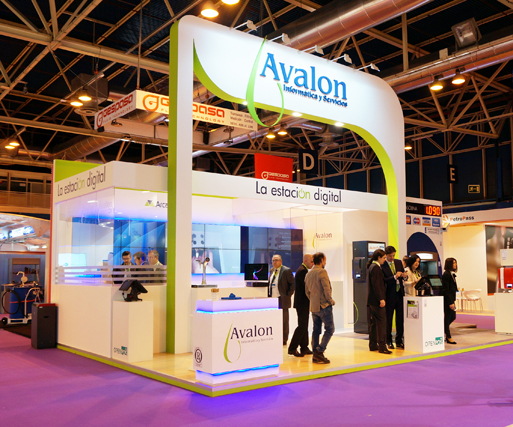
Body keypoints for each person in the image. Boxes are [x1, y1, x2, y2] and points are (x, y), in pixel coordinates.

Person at [305, 252, 335, 364]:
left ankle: (315, 353)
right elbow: (326, 289)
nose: (325, 262)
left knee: (316, 330)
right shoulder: (322, 272)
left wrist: (313, 301)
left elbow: (307, 292)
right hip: (324, 306)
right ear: (321, 260)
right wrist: (330, 301)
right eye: (325, 260)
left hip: (314, 307)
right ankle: (320, 351)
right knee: (330, 329)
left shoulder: (309, 274)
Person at [381, 246, 408, 350]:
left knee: (400, 319)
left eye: (393, 255)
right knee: (388, 319)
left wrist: (404, 276)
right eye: (390, 256)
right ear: (386, 255)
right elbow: (384, 280)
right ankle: (388, 341)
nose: (392, 258)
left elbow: (403, 275)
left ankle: (399, 340)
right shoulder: (383, 264)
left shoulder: (398, 262)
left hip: (399, 294)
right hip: (389, 295)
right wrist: (394, 277)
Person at [288, 254, 314, 358]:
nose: (312, 263)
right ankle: (292, 348)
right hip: (302, 303)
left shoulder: (302, 270)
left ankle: (304, 347)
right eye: (311, 261)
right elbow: (306, 287)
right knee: (302, 326)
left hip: (301, 303)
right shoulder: (303, 271)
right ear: (306, 261)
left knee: (304, 325)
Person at [367, 248, 392, 354]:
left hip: (372, 300)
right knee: (381, 323)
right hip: (377, 301)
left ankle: (373, 344)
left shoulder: (371, 267)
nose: (385, 260)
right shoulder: (376, 268)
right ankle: (382, 346)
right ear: (379, 257)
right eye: (384, 258)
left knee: (373, 324)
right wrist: (381, 299)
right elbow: (377, 285)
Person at [267, 254, 295, 346]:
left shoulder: (286, 271)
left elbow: (292, 284)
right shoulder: (272, 270)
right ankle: (275, 337)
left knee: (284, 321)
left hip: (282, 299)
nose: (274, 262)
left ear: (281, 261)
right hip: (272, 300)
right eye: (273, 260)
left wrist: (287, 296)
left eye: (276, 260)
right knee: (274, 320)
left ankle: (284, 339)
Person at [441, 257, 458, 344]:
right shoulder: (446, 274)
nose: (455, 264)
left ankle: (444, 329)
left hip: (451, 299)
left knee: (452, 317)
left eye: (455, 263)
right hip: (447, 300)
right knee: (448, 317)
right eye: (453, 263)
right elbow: (446, 290)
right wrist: (450, 302)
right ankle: (448, 336)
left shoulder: (451, 274)